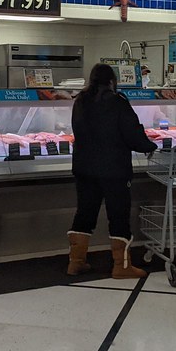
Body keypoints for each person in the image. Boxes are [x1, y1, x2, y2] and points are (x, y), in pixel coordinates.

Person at [67, 63, 158, 278]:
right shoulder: (118, 102)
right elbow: (132, 133)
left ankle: (76, 262)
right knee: (118, 215)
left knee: (84, 213)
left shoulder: (81, 100)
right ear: (112, 81)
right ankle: (121, 266)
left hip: (84, 168)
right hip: (114, 170)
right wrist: (149, 146)